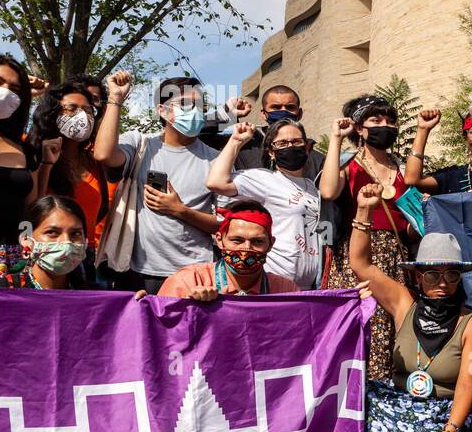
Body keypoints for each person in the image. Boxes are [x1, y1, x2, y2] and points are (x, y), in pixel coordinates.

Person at [349, 183, 472, 432]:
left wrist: (450, 429)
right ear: (418, 276)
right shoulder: (404, 304)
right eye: (433, 275)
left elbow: (469, 383)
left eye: (452, 275)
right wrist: (364, 211)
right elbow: (360, 264)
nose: (443, 283)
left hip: (447, 416)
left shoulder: (471, 323)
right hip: (396, 410)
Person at [92, 75, 220, 294]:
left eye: (200, 105)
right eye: (185, 104)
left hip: (198, 275)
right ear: (162, 110)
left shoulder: (217, 160)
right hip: (140, 274)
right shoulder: (140, 144)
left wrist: (180, 210)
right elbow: (103, 154)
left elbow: (226, 226)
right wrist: (115, 98)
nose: (195, 110)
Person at [320, 94, 415, 379]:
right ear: (359, 128)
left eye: (389, 120)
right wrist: (336, 139)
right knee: (363, 328)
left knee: (395, 332)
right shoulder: (349, 165)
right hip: (357, 256)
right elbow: (327, 191)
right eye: (375, 120)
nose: (384, 126)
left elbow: (407, 222)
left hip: (397, 258)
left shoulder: (401, 169)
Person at [207, 120, 322, 289]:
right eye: (282, 143)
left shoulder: (312, 186)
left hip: (308, 287)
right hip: (274, 284)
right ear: (271, 153)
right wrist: (236, 141)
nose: (290, 146)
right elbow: (216, 182)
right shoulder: (265, 179)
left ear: (306, 147)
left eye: (296, 141)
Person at [0, 53, 42, 277]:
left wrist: (28, 251)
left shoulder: (24, 149)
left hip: (9, 265)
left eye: (14, 89)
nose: (4, 90)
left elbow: (29, 212)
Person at [156, 200, 299, 299]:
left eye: (257, 241)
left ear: (271, 244)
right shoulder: (189, 281)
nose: (246, 249)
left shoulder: (286, 291)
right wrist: (188, 305)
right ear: (219, 240)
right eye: (237, 240)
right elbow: (156, 327)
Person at [37, 79, 115, 257]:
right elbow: (32, 206)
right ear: (53, 113)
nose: (81, 116)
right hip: (45, 253)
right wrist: (46, 165)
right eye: (72, 109)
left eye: (88, 110)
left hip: (84, 256)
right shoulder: (34, 152)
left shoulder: (96, 162)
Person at [0, 195, 90, 290]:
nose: (66, 242)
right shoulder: (0, 294)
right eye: (52, 232)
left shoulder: (94, 298)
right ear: (26, 240)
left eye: (75, 233)